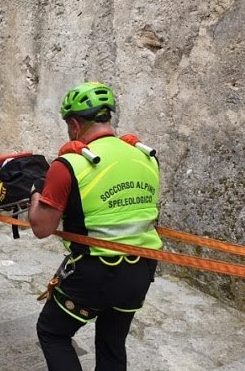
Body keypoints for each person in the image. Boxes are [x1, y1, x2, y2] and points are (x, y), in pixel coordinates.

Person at [28, 82, 161, 371]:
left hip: (94, 273)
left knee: (52, 332)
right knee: (112, 343)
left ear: (74, 124)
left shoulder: (69, 165)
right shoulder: (147, 156)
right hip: (141, 271)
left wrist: (37, 190)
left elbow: (41, 227)